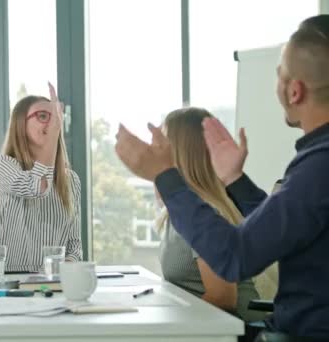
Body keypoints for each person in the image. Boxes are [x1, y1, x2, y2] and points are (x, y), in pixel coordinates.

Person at [115, 15, 329, 339]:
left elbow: (236, 256)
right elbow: (281, 229)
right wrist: (235, 179)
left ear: (294, 90)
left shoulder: (319, 167)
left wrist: (164, 175)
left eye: (278, 74)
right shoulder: (317, 165)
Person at [156, 107, 265, 322]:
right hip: (205, 327)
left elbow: (223, 298)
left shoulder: (205, 212)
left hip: (233, 332)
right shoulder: (180, 209)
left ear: (180, 154)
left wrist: (169, 326)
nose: (155, 151)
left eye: (162, 146)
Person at [0, 83, 82, 272]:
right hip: (13, 279)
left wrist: (66, 267)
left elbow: (74, 245)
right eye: (42, 116)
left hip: (54, 281)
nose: (52, 122)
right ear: (21, 124)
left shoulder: (71, 180)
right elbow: (37, 187)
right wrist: (54, 131)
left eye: (55, 117)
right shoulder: (4, 165)